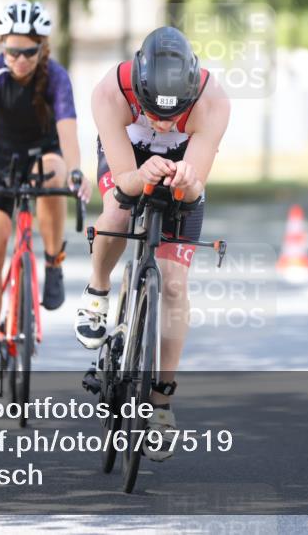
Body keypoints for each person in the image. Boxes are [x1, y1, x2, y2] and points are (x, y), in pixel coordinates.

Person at [77, 26, 230, 461]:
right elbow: (124, 182)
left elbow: (194, 190)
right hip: (129, 157)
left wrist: (185, 183)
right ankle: (98, 290)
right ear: (138, 87)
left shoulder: (213, 101)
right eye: (152, 111)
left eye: (173, 114)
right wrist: (139, 178)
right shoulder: (111, 90)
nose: (163, 122)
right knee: (118, 211)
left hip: (184, 166)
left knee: (175, 283)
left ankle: (161, 400)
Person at [0, 1, 91, 396]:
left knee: (53, 174)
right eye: (11, 51)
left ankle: (53, 261)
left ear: (42, 49)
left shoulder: (55, 77)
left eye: (28, 52)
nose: (19, 60)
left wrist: (75, 171)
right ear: (2, 46)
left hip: (42, 154)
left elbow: (68, 129)